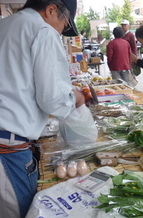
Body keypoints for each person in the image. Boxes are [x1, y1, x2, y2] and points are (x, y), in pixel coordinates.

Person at [0, 0, 85, 217]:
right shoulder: (43, 30)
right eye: (64, 25)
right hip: (7, 146)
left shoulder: (5, 24)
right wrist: (74, 98)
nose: (61, 31)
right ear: (51, 10)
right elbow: (52, 100)